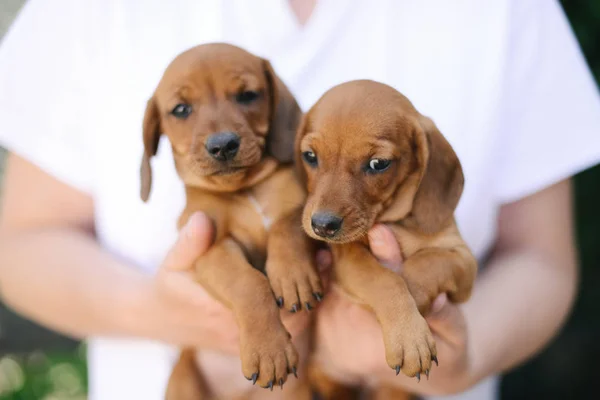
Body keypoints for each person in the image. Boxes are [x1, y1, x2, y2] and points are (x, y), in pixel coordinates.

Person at [0, 0, 599, 399]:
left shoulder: (507, 13)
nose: (221, 133)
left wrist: (463, 357)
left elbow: (543, 257)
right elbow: (17, 243)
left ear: (279, 112)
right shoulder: (81, 12)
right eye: (182, 112)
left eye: (247, 98)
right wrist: (181, 316)